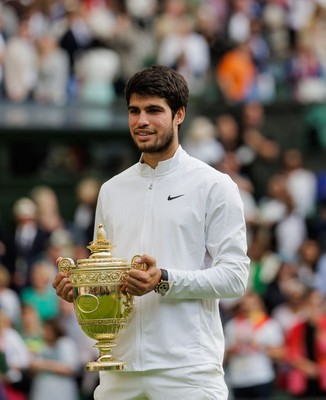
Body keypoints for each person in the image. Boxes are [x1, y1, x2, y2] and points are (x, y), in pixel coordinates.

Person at [52, 65, 250, 399]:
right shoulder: (111, 190)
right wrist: (81, 287)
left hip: (188, 374)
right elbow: (108, 281)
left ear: (179, 115)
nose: (141, 120)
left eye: (153, 110)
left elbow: (235, 277)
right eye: (134, 111)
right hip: (118, 372)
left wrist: (164, 280)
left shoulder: (214, 185)